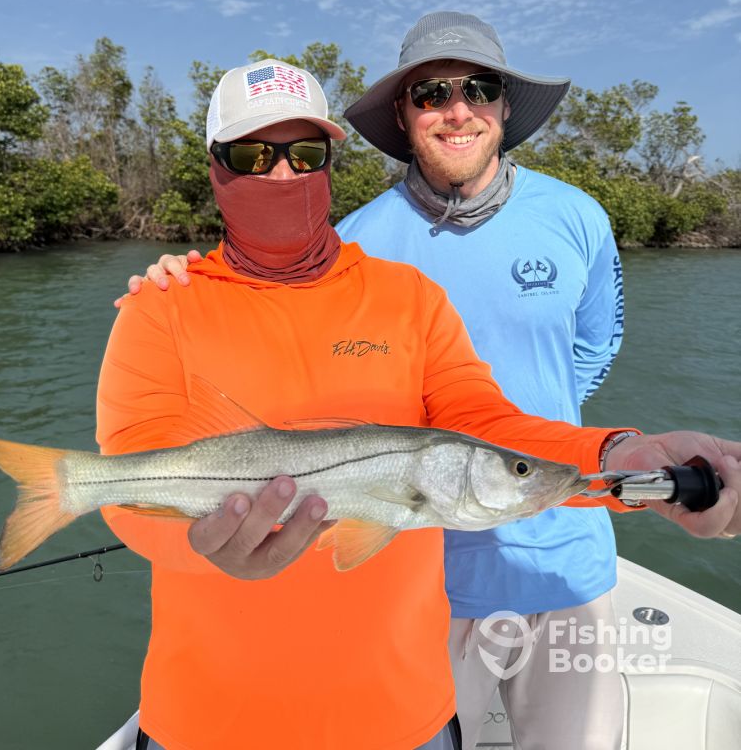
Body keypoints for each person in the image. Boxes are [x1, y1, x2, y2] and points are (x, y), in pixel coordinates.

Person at [107, 56, 741, 750]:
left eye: (306, 153)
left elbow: (485, 425)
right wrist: (199, 546)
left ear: (330, 164)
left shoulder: (409, 298)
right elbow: (128, 482)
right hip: (206, 719)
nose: (283, 174)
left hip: (401, 714)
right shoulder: (159, 308)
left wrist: (622, 453)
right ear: (214, 167)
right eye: (252, 155)